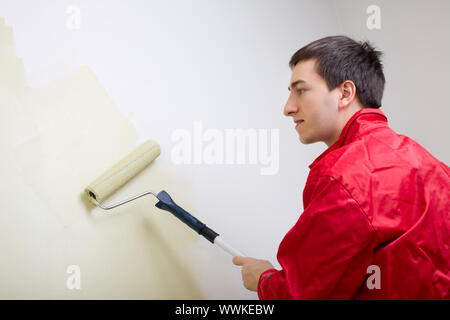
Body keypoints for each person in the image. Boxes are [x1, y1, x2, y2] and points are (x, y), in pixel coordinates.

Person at [232, 35, 450, 299]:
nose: (288, 108)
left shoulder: (344, 177)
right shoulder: (433, 165)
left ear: (345, 93)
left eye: (300, 90)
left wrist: (264, 280)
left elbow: (303, 294)